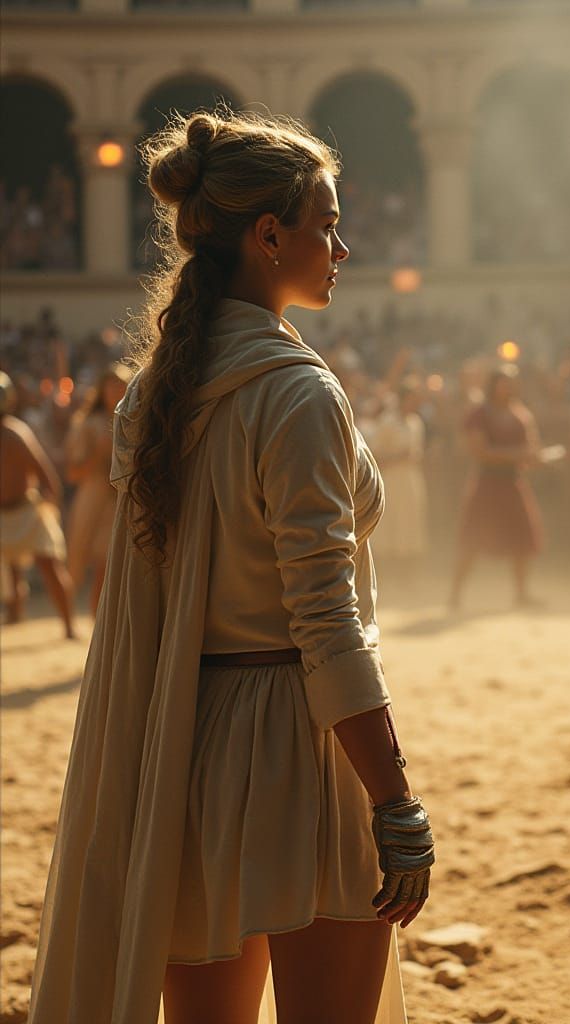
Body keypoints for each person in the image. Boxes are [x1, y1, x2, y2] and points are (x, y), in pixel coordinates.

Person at [29, 110, 433, 1024]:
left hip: (189, 744)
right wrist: (394, 797)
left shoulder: (154, 390)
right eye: (327, 224)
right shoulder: (297, 393)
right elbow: (324, 619)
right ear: (269, 234)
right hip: (298, 743)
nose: (342, 247)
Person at [449, 363, 543, 609]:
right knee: (472, 539)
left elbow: (530, 448)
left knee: (521, 538)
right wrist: (516, 455)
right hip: (487, 483)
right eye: (504, 383)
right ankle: (455, 594)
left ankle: (521, 593)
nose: (508, 388)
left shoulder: (520, 414)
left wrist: (532, 457)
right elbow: (480, 451)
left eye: (511, 383)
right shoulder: (479, 414)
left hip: (513, 482)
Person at [0, 370, 77, 637]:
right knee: (11, 568)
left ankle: (69, 626)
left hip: (26, 511)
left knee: (49, 565)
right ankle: (14, 613)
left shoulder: (17, 433)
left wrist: (52, 505)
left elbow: (45, 474)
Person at [63, 363, 131, 614]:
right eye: (111, 385)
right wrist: (98, 454)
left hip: (119, 501)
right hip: (92, 498)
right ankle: (68, 618)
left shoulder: (135, 421)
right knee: (77, 561)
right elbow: (73, 472)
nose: (116, 390)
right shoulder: (89, 424)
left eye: (120, 385)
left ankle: (98, 620)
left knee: (108, 563)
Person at [366, 378, 428, 566]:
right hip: (391, 479)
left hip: (409, 478)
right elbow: (374, 453)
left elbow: (417, 451)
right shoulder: (387, 421)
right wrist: (397, 457)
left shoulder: (415, 422)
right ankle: (387, 565)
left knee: (409, 520)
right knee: (390, 520)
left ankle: (407, 565)